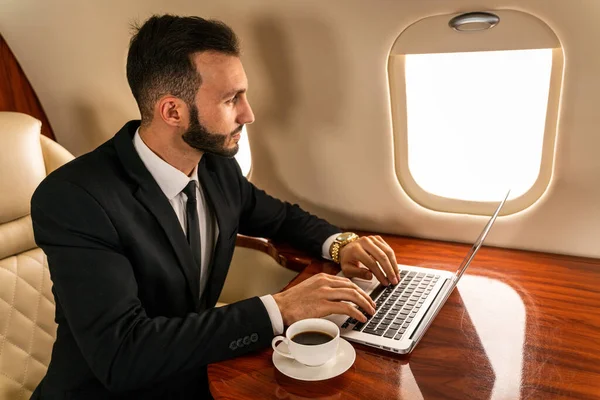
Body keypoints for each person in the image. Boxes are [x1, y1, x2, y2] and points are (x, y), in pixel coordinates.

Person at [30, 14, 399, 399]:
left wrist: (342, 244)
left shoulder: (217, 167)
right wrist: (279, 309)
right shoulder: (76, 199)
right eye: (230, 99)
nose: (248, 114)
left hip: (194, 370)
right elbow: (124, 354)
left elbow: (281, 218)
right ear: (172, 112)